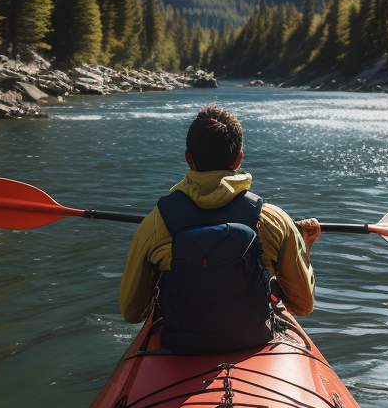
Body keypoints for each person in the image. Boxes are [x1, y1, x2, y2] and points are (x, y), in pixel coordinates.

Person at [119, 104, 320, 353]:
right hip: (254, 341)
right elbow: (302, 305)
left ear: (188, 158)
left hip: (180, 344)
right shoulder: (274, 220)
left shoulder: (156, 222)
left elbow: (131, 312)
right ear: (239, 159)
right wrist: (305, 247)